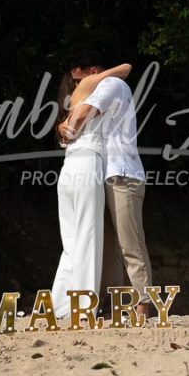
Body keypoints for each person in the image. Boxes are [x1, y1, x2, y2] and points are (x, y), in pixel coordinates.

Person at [62, 51, 153, 318]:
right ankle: (113, 303)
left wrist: (66, 129)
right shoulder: (104, 85)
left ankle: (144, 303)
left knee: (130, 242)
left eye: (79, 81)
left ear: (92, 72)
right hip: (103, 175)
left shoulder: (110, 85)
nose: (77, 88)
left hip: (122, 173)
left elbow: (82, 117)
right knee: (109, 246)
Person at [50, 60, 132, 319]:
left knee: (71, 241)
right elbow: (126, 68)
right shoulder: (92, 85)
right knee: (87, 236)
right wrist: (97, 75)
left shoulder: (70, 100)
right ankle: (83, 308)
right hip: (87, 165)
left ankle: (60, 306)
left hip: (68, 169)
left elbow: (66, 132)